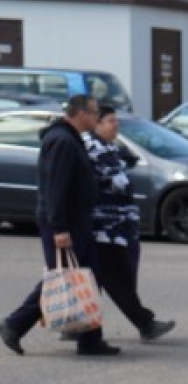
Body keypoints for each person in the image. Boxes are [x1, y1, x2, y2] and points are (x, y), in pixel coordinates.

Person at [0, 94, 121, 357]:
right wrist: (60, 228)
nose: (97, 118)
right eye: (94, 113)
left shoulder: (71, 138)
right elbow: (55, 188)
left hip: (78, 221)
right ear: (81, 114)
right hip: (65, 224)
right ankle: (14, 324)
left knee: (88, 277)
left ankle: (90, 339)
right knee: (63, 278)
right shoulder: (62, 141)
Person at [84, 105, 176, 342]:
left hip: (117, 225)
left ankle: (73, 325)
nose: (116, 125)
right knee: (116, 277)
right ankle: (145, 324)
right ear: (97, 123)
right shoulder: (91, 148)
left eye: (117, 121)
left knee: (112, 278)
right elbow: (110, 183)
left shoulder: (110, 147)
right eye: (111, 121)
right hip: (104, 226)